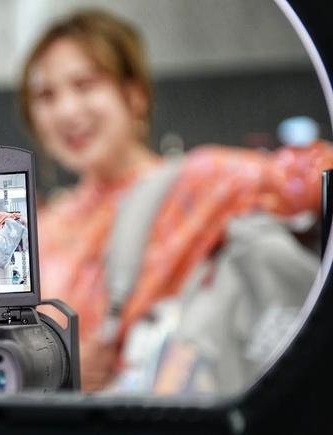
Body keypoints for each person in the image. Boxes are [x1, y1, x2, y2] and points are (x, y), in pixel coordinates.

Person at [17, 9, 333, 392]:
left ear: (134, 95)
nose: (66, 111)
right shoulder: (39, 229)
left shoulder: (197, 186)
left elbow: (309, 172)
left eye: (85, 85)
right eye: (46, 95)